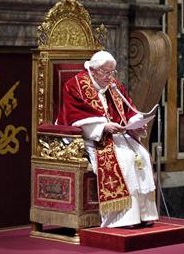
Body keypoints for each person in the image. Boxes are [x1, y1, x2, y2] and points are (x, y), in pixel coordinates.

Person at [56, 50, 158, 228]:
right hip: (92, 138)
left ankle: (144, 214)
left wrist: (136, 123)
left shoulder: (113, 84)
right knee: (124, 160)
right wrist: (103, 127)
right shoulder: (76, 85)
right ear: (93, 70)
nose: (110, 77)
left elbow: (129, 110)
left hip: (118, 135)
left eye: (112, 72)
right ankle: (124, 218)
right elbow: (73, 115)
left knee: (142, 155)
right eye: (106, 72)